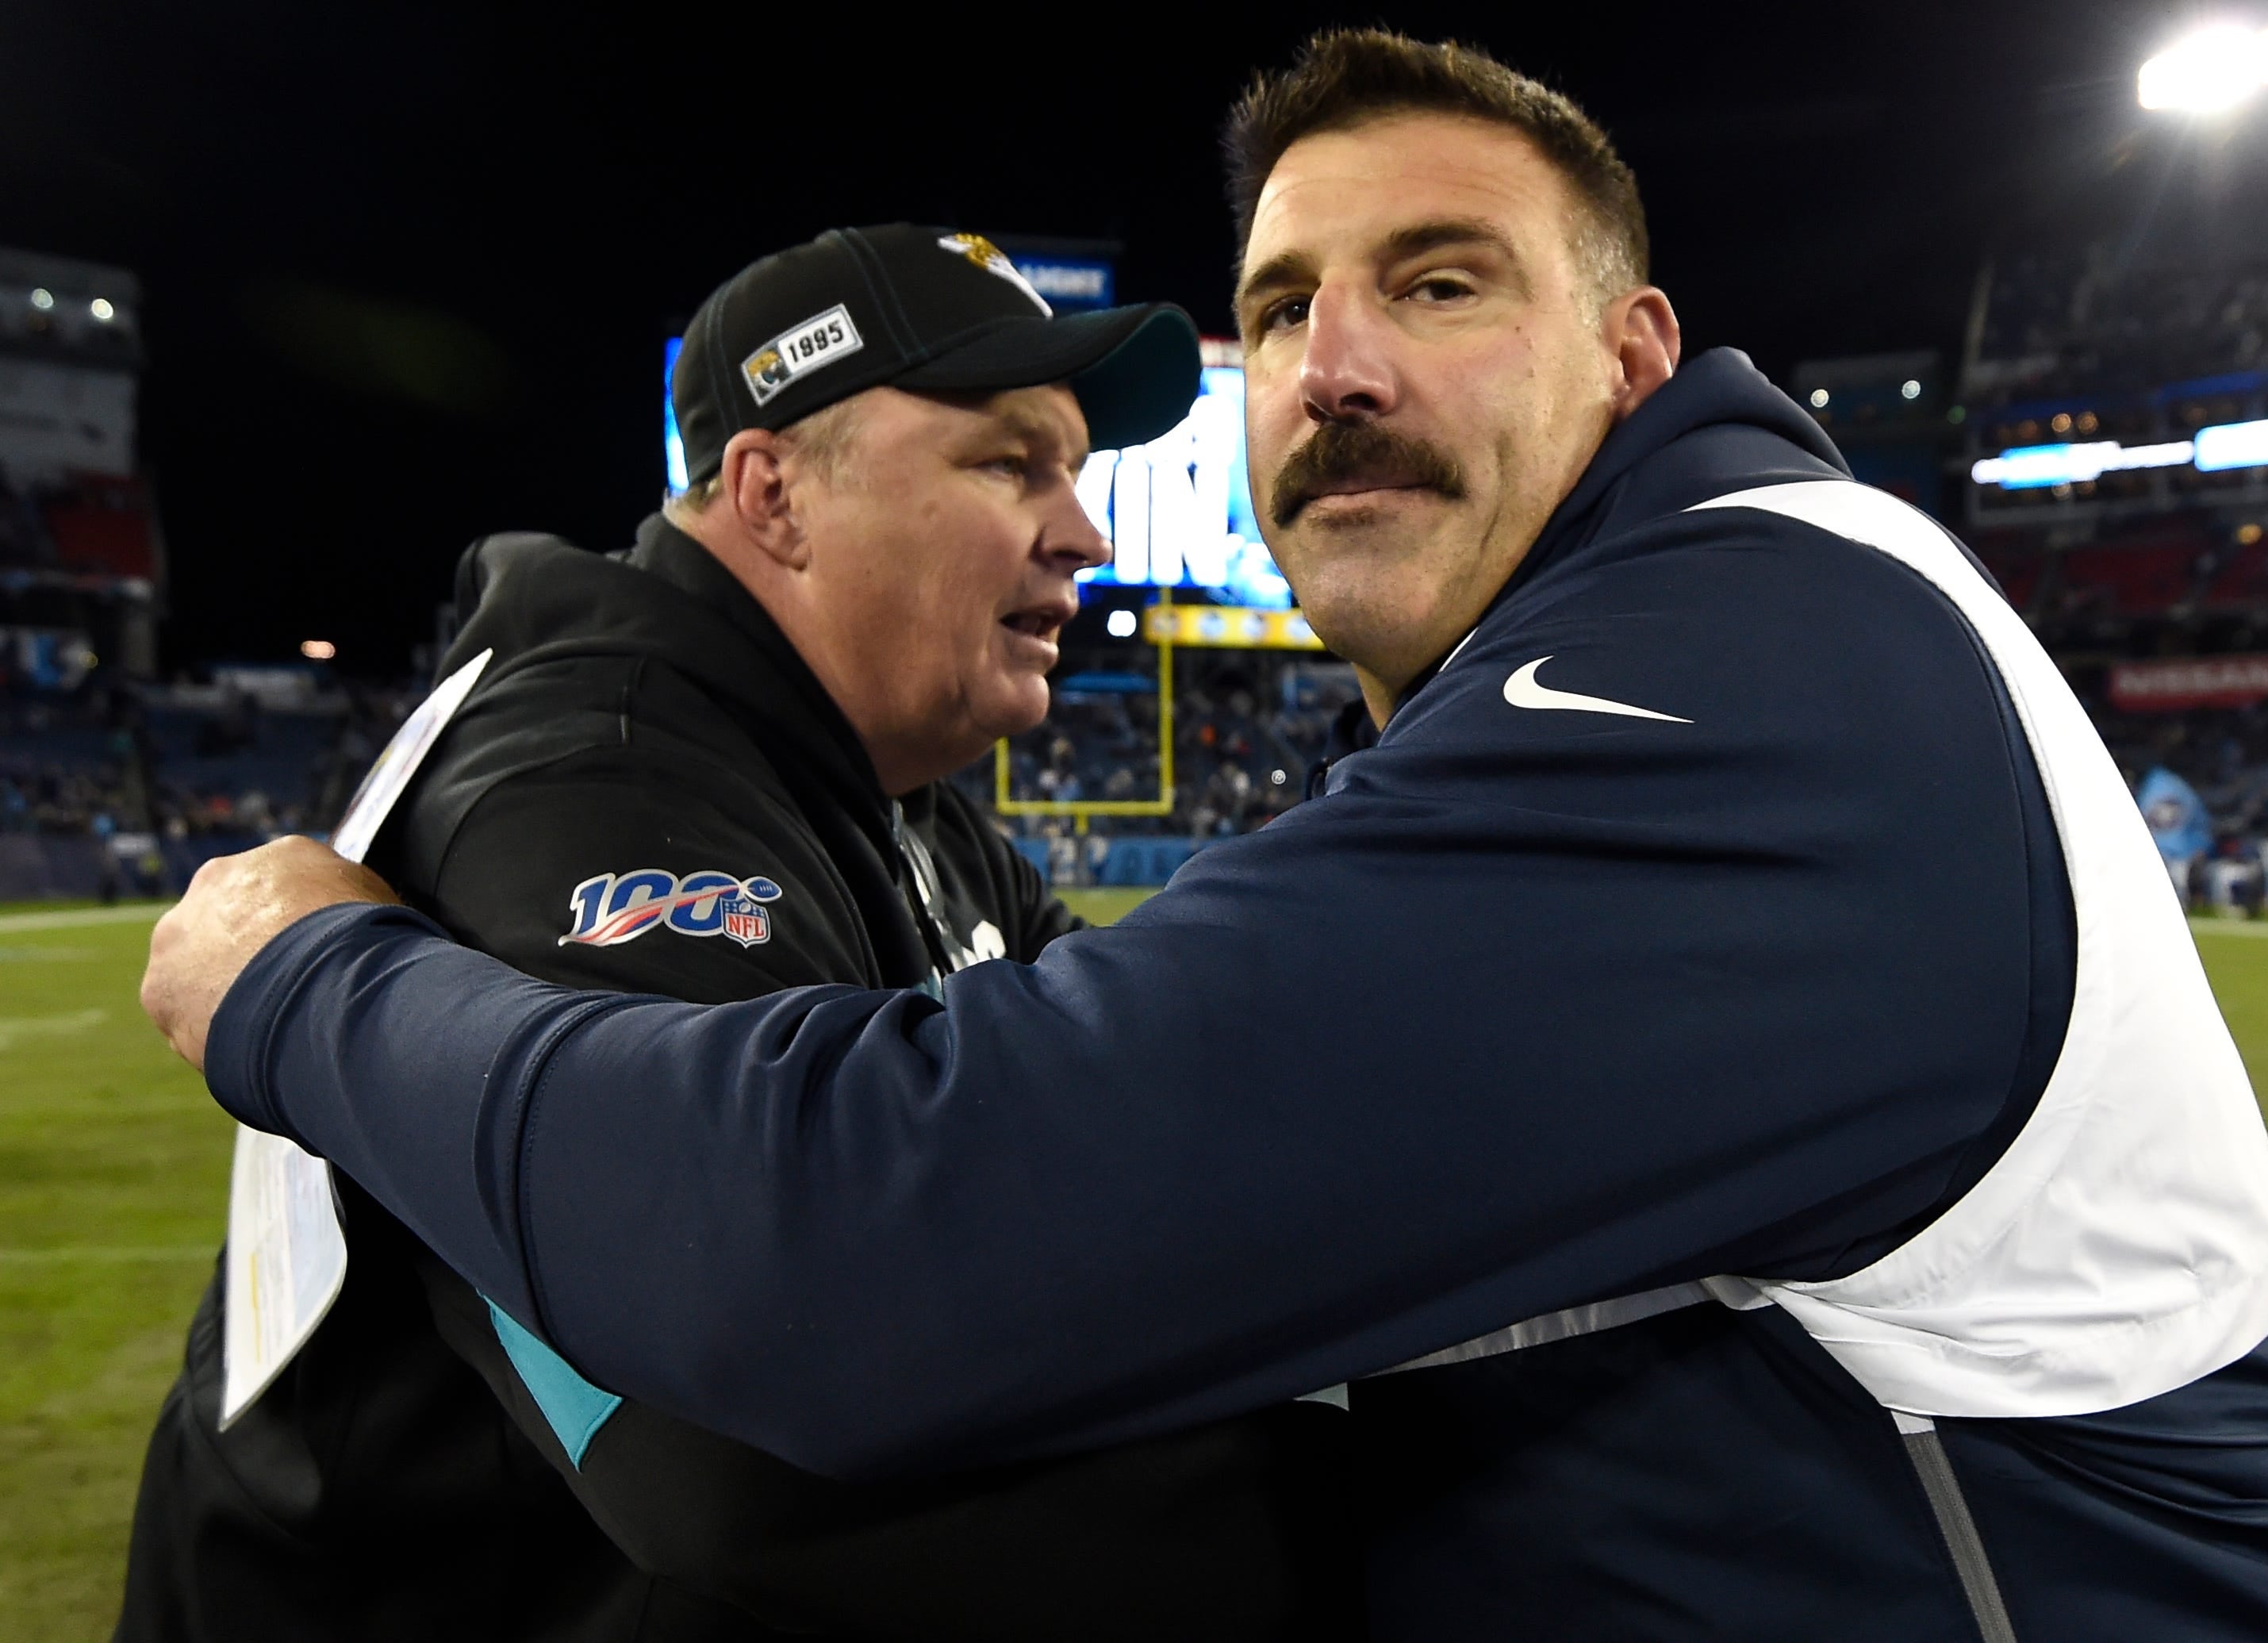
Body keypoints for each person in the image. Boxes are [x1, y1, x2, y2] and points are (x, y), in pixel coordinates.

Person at [144, 30, 2268, 1641]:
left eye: (1445, 282)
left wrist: (314, 983)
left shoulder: (1737, 668)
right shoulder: (602, 760)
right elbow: (794, 1370)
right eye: (1285, 308)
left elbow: (934, 1217)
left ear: (1636, 350)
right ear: (770, 488)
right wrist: (307, 972)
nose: (1326, 370)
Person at [118, 227, 1349, 1641]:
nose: (1083, 532)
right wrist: (1410, 1520)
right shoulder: (588, 778)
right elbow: (744, 1440)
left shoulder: (887, 796)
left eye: (1072, 472)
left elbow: (1146, 1092)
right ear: (771, 494)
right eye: (1009, 464)